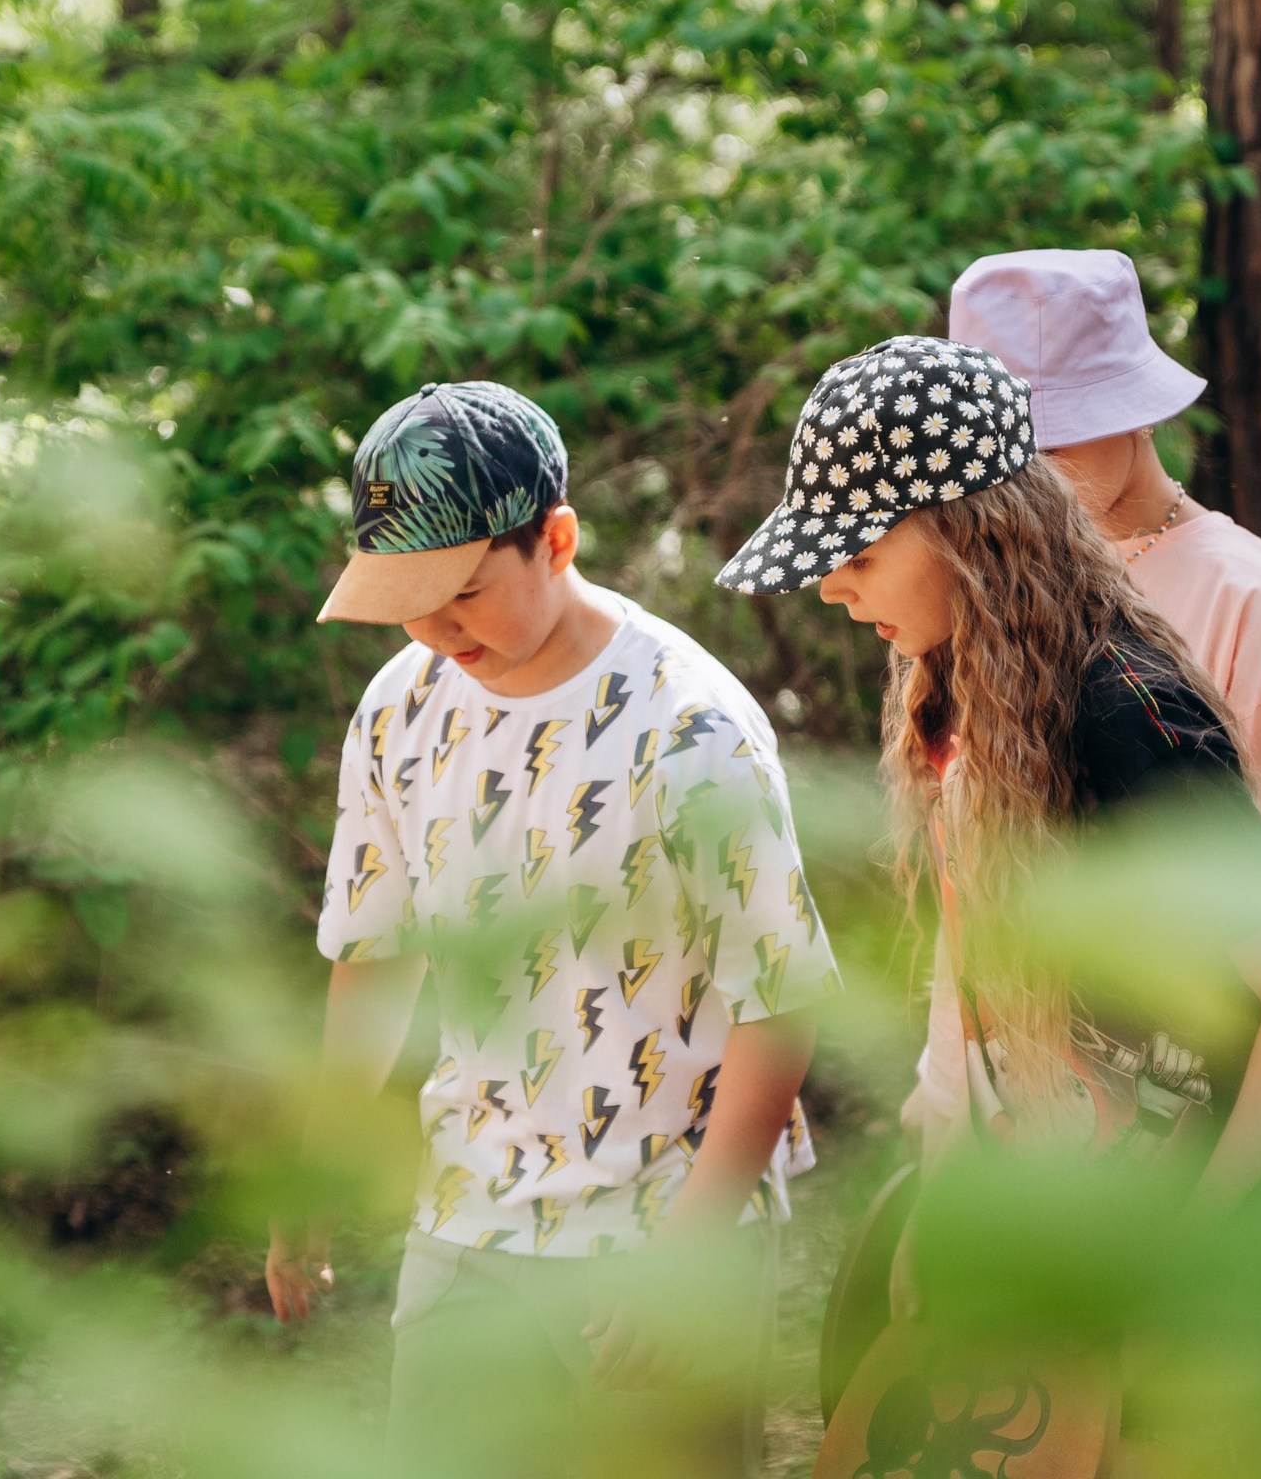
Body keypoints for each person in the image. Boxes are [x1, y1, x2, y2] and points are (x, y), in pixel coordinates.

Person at [716, 336, 1261, 1462]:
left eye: (856, 551)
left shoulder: (1131, 716)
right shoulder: (958, 684)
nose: (831, 586)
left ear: (969, 530)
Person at [268, 381, 838, 1479]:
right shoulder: (399, 708)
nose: (436, 629)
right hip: (465, 1213)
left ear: (557, 540)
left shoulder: (691, 729)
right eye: (406, 601)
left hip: (662, 1222)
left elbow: (780, 1004)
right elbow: (375, 956)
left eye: (463, 593)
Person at [947, 247, 1261, 921]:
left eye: (1055, 444)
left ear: (1139, 410)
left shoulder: (1250, 596)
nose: (1032, 478)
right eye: (1008, 456)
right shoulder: (990, 572)